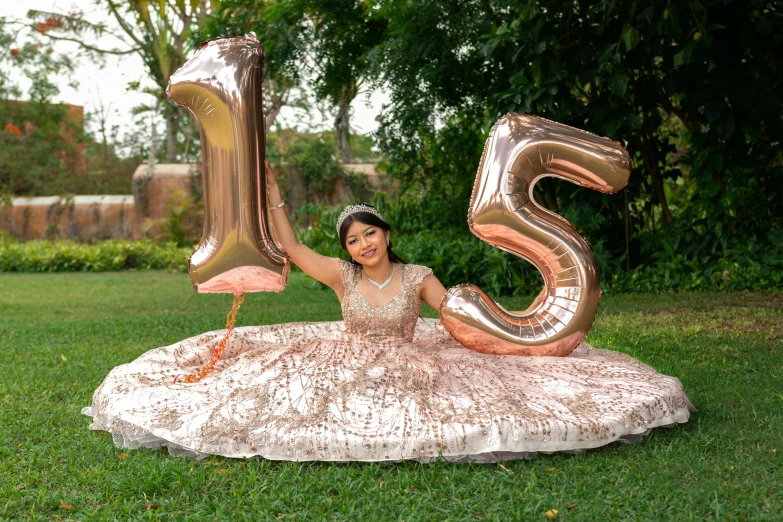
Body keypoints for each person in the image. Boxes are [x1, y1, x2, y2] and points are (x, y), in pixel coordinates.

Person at [83, 162, 694, 462]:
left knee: (440, 399)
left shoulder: (418, 276)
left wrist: (501, 332)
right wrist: (270, 199)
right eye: (353, 240)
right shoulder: (341, 276)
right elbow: (293, 249)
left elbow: (453, 318)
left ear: (385, 233)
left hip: (410, 359)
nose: (363, 245)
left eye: (370, 235)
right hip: (348, 358)